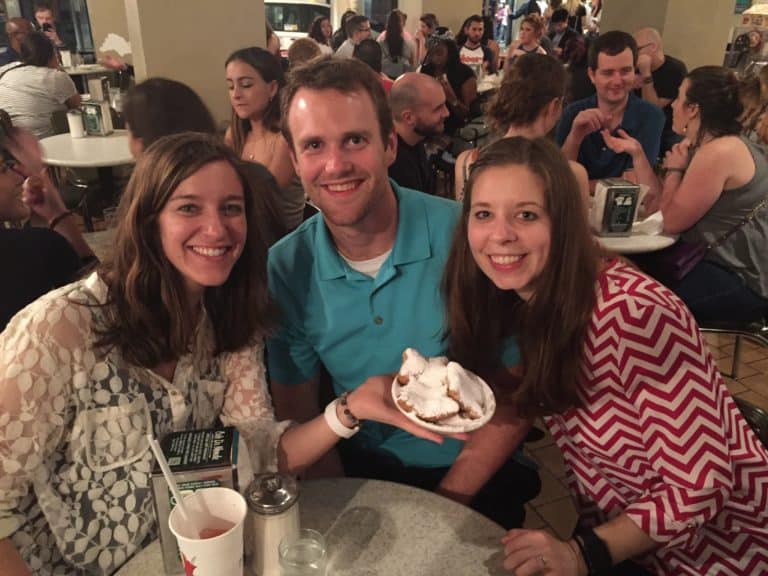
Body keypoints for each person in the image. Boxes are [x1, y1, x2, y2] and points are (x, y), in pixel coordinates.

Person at [0, 132, 445, 575]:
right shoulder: (56, 331)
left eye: (231, 208)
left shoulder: (231, 323)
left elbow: (258, 450)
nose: (216, 229)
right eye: (188, 208)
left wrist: (351, 409)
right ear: (148, 219)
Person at [443, 136, 768, 576]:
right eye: (483, 214)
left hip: (710, 552)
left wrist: (581, 554)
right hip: (623, 527)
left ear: (564, 222)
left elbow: (700, 485)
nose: (500, 234)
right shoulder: (534, 299)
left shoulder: (632, 315)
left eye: (526, 214)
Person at [269, 57, 540, 530]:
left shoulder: (465, 237)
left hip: (469, 473)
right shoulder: (288, 266)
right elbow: (297, 408)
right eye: (314, 145)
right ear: (295, 162)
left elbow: (517, 391)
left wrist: (441, 507)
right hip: (355, 473)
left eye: (355, 140)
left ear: (390, 144)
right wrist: (341, 508)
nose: (335, 165)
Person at [638, 66, 768, 324]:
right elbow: (665, 209)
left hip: (737, 282)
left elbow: (671, 221)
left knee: (635, 300)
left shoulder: (717, 153)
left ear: (693, 109)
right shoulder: (728, 144)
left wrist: (674, 169)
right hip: (731, 272)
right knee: (626, 271)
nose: (673, 104)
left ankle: (664, 362)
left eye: (678, 97)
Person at [0, 110, 94, 330]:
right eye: (5, 166)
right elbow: (103, 306)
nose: (20, 175)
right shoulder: (37, 248)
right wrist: (56, 212)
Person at [454, 53, 588, 202]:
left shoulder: (466, 162)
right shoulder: (572, 174)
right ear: (555, 106)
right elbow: (575, 225)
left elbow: (464, 221)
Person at [556, 31, 664, 188]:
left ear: (634, 72)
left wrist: (580, 184)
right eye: (608, 73)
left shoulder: (651, 116)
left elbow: (637, 182)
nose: (617, 81)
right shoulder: (573, 113)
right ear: (592, 75)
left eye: (625, 71)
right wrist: (575, 136)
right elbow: (560, 177)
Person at [225, 47, 304, 231]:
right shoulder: (234, 134)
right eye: (230, 86)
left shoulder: (285, 137)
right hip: (244, 231)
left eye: (245, 85)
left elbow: (262, 201)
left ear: (272, 88)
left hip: (280, 239)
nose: (236, 94)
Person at [0, 31, 80, 139]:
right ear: (51, 53)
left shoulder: (5, 71)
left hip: (11, 143)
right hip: (45, 140)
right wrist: (57, 67)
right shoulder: (54, 77)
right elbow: (76, 106)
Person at [389, 72, 449, 194]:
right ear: (409, 118)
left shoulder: (415, 140)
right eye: (438, 108)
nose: (446, 113)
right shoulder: (392, 164)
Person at [633, 27, 687, 156]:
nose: (634, 55)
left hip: (667, 130)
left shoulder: (675, 69)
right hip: (639, 126)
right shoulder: (633, 67)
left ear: (652, 47)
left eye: (637, 50)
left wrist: (646, 74)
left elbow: (653, 108)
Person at [420, 39, 478, 135]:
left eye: (439, 53)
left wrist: (450, 97)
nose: (434, 57)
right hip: (429, 127)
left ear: (450, 54)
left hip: (455, 130)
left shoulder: (465, 73)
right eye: (431, 53)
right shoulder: (427, 69)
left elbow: (467, 115)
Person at [378, 9, 414, 79]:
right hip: (403, 76)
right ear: (402, 23)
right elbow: (412, 62)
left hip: (385, 75)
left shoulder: (381, 38)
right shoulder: (408, 39)